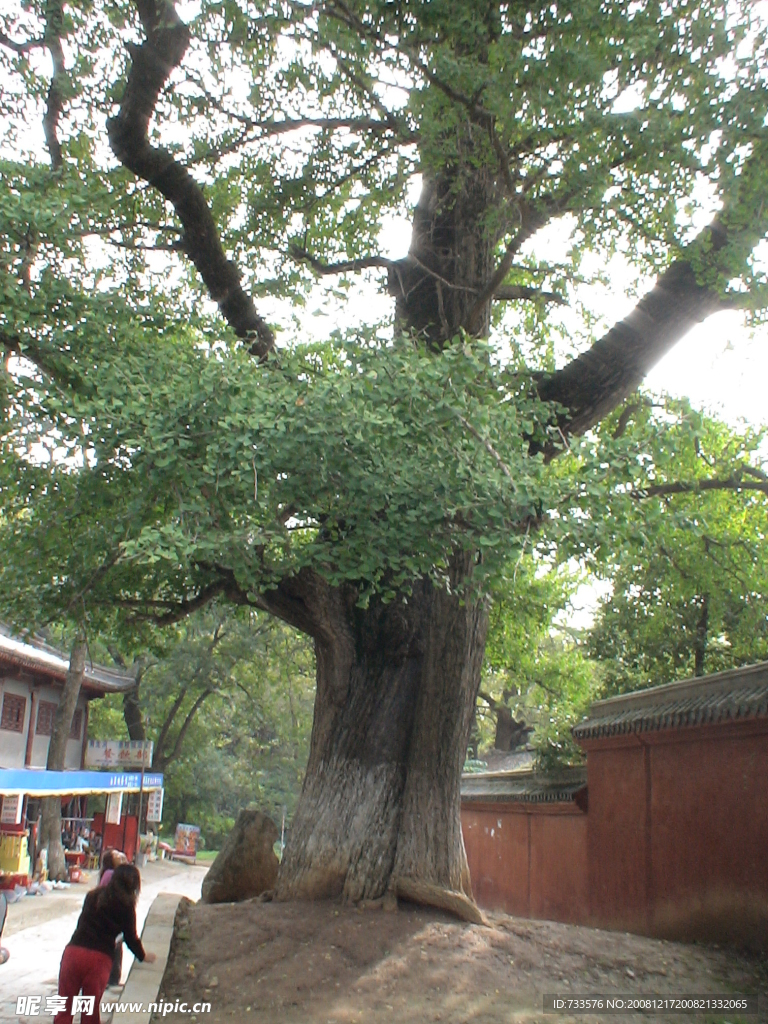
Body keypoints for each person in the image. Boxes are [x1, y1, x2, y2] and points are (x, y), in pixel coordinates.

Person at [53, 864, 156, 1024]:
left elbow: (82, 923)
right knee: (90, 1012)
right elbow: (130, 938)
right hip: (98, 960)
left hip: (73, 952)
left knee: (64, 1009)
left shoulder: (92, 896)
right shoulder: (127, 907)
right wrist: (143, 955)